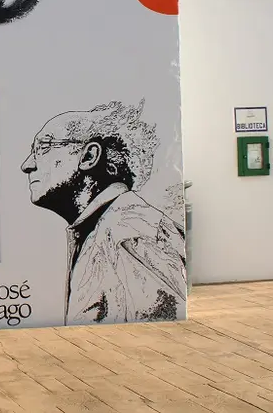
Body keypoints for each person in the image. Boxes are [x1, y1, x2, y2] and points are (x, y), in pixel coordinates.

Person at [19, 100, 186, 325]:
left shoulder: (130, 230)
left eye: (43, 147)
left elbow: (160, 332)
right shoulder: (106, 227)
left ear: (89, 157)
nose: (28, 165)